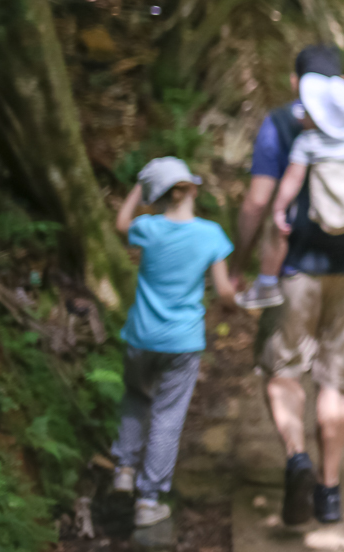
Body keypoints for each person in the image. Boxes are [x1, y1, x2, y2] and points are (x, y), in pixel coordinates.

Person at [235, 45, 344, 526]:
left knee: (284, 369)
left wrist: (241, 260)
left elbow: (258, 200)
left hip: (294, 272)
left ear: (297, 82)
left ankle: (297, 458)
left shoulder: (282, 124)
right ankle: (329, 490)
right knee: (338, 376)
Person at [234, 45, 344, 313]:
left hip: (298, 268)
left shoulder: (294, 133)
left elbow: (260, 200)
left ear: (296, 83)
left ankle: (266, 283)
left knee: (290, 352)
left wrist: (278, 211)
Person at [110, 157, 235, 529]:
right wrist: (234, 302)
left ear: (158, 195)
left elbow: (120, 224)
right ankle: (148, 501)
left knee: (135, 397)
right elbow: (225, 290)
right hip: (182, 341)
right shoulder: (211, 235)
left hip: (141, 335)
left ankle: (123, 469)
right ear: (191, 189)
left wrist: (139, 186)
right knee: (168, 416)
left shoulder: (148, 228)